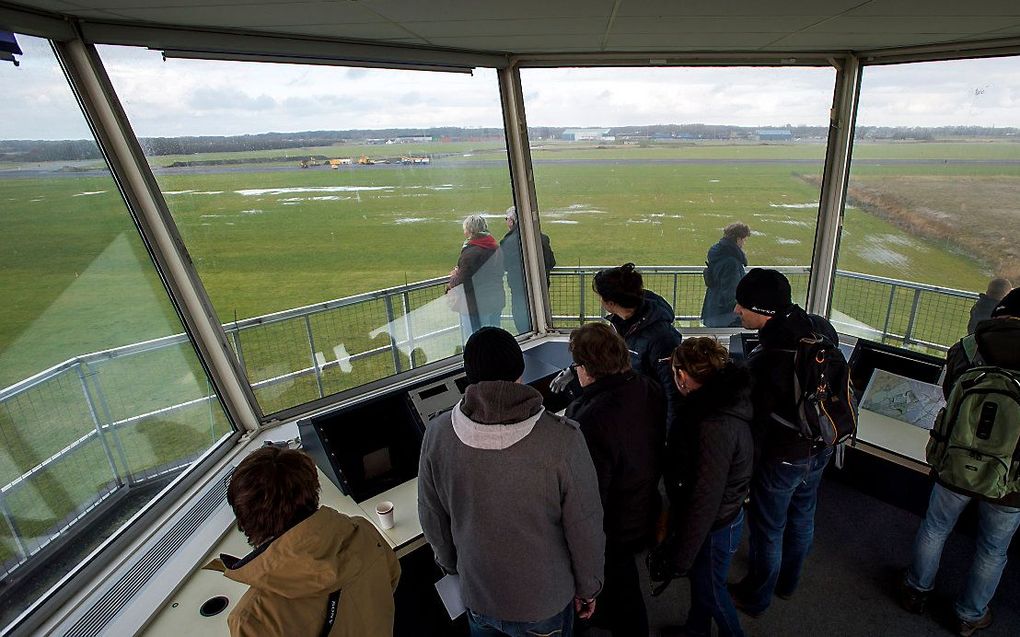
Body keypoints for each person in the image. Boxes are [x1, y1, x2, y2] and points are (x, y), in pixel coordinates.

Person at [418, 327, 605, 637]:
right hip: (544, 603)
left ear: (469, 375)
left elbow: (431, 518)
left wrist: (454, 568)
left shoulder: (437, 435)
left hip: (478, 595)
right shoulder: (564, 439)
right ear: (521, 369)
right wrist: (589, 587)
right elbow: (584, 526)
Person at [900, 287, 1020, 637]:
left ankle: (915, 590)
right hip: (1010, 481)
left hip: (954, 462)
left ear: (998, 313)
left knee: (936, 527)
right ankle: (969, 614)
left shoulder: (967, 348)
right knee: (993, 548)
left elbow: (950, 394)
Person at [728, 268, 839, 617]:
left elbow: (753, 414)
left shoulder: (769, 357)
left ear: (763, 311)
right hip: (821, 446)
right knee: (803, 516)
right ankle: (788, 584)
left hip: (783, 457)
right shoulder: (818, 328)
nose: (736, 311)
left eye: (742, 306)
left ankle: (756, 597)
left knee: (768, 529)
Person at [219, 446, 400, 637]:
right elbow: (392, 580)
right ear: (313, 491)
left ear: (244, 517)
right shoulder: (364, 531)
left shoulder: (250, 620)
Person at [565, 322, 664, 636]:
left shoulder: (589, 419)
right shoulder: (648, 387)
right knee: (625, 589)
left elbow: (588, 495)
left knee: (615, 590)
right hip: (642, 508)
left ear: (587, 369)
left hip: (612, 527)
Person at [661, 337, 754, 637]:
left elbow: (705, 498)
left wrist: (680, 558)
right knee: (704, 586)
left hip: (715, 526)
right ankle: (695, 631)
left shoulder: (713, 426)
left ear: (684, 377)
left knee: (712, 591)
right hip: (720, 518)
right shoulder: (719, 403)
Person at [590, 262, 683, 433]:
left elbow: (673, 392)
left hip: (652, 420)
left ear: (609, 303)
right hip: (634, 410)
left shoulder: (663, 338)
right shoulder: (619, 323)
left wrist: (670, 440)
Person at [500, 205, 557, 334]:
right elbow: (551, 262)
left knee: (521, 320)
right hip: (541, 286)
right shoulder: (542, 238)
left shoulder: (507, 242)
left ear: (511, 221)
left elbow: (504, 265)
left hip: (518, 288)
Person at [447, 214, 505, 339]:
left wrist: (453, 278)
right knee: (496, 338)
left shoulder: (471, 253)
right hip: (495, 300)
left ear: (470, 231)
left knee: (476, 340)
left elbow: (463, 281)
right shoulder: (496, 248)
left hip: (476, 305)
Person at [701, 222, 751, 328]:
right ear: (738, 239)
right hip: (725, 315)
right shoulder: (731, 262)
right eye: (744, 239)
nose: (744, 243)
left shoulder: (718, 253)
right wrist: (740, 310)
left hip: (712, 308)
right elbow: (731, 290)